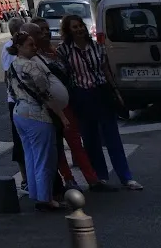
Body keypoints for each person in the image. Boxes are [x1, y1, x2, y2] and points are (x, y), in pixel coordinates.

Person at [58, 14, 140, 191]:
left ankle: (126, 177)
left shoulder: (97, 47)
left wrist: (116, 91)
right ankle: (100, 176)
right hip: (81, 95)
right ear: (68, 30)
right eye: (74, 27)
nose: (79, 29)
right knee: (90, 138)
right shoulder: (64, 51)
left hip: (101, 92)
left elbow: (106, 70)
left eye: (80, 25)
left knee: (112, 136)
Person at [29, 20, 101, 192]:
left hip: (68, 104)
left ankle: (92, 179)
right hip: (51, 108)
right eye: (41, 31)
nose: (46, 33)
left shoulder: (56, 50)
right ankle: (68, 179)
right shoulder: (34, 57)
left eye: (47, 29)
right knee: (58, 146)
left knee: (75, 142)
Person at [7, 29, 67, 211]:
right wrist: (62, 116)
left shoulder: (12, 66)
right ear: (19, 47)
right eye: (30, 45)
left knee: (30, 156)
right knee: (44, 158)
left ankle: (36, 193)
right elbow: (46, 94)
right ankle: (45, 198)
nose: (34, 48)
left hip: (19, 113)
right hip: (37, 115)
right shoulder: (32, 67)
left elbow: (11, 91)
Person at [1, 16, 27, 190]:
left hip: (13, 99)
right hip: (20, 100)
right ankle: (26, 179)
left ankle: (26, 179)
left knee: (19, 140)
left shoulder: (6, 47)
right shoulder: (15, 48)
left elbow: (5, 75)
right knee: (22, 141)